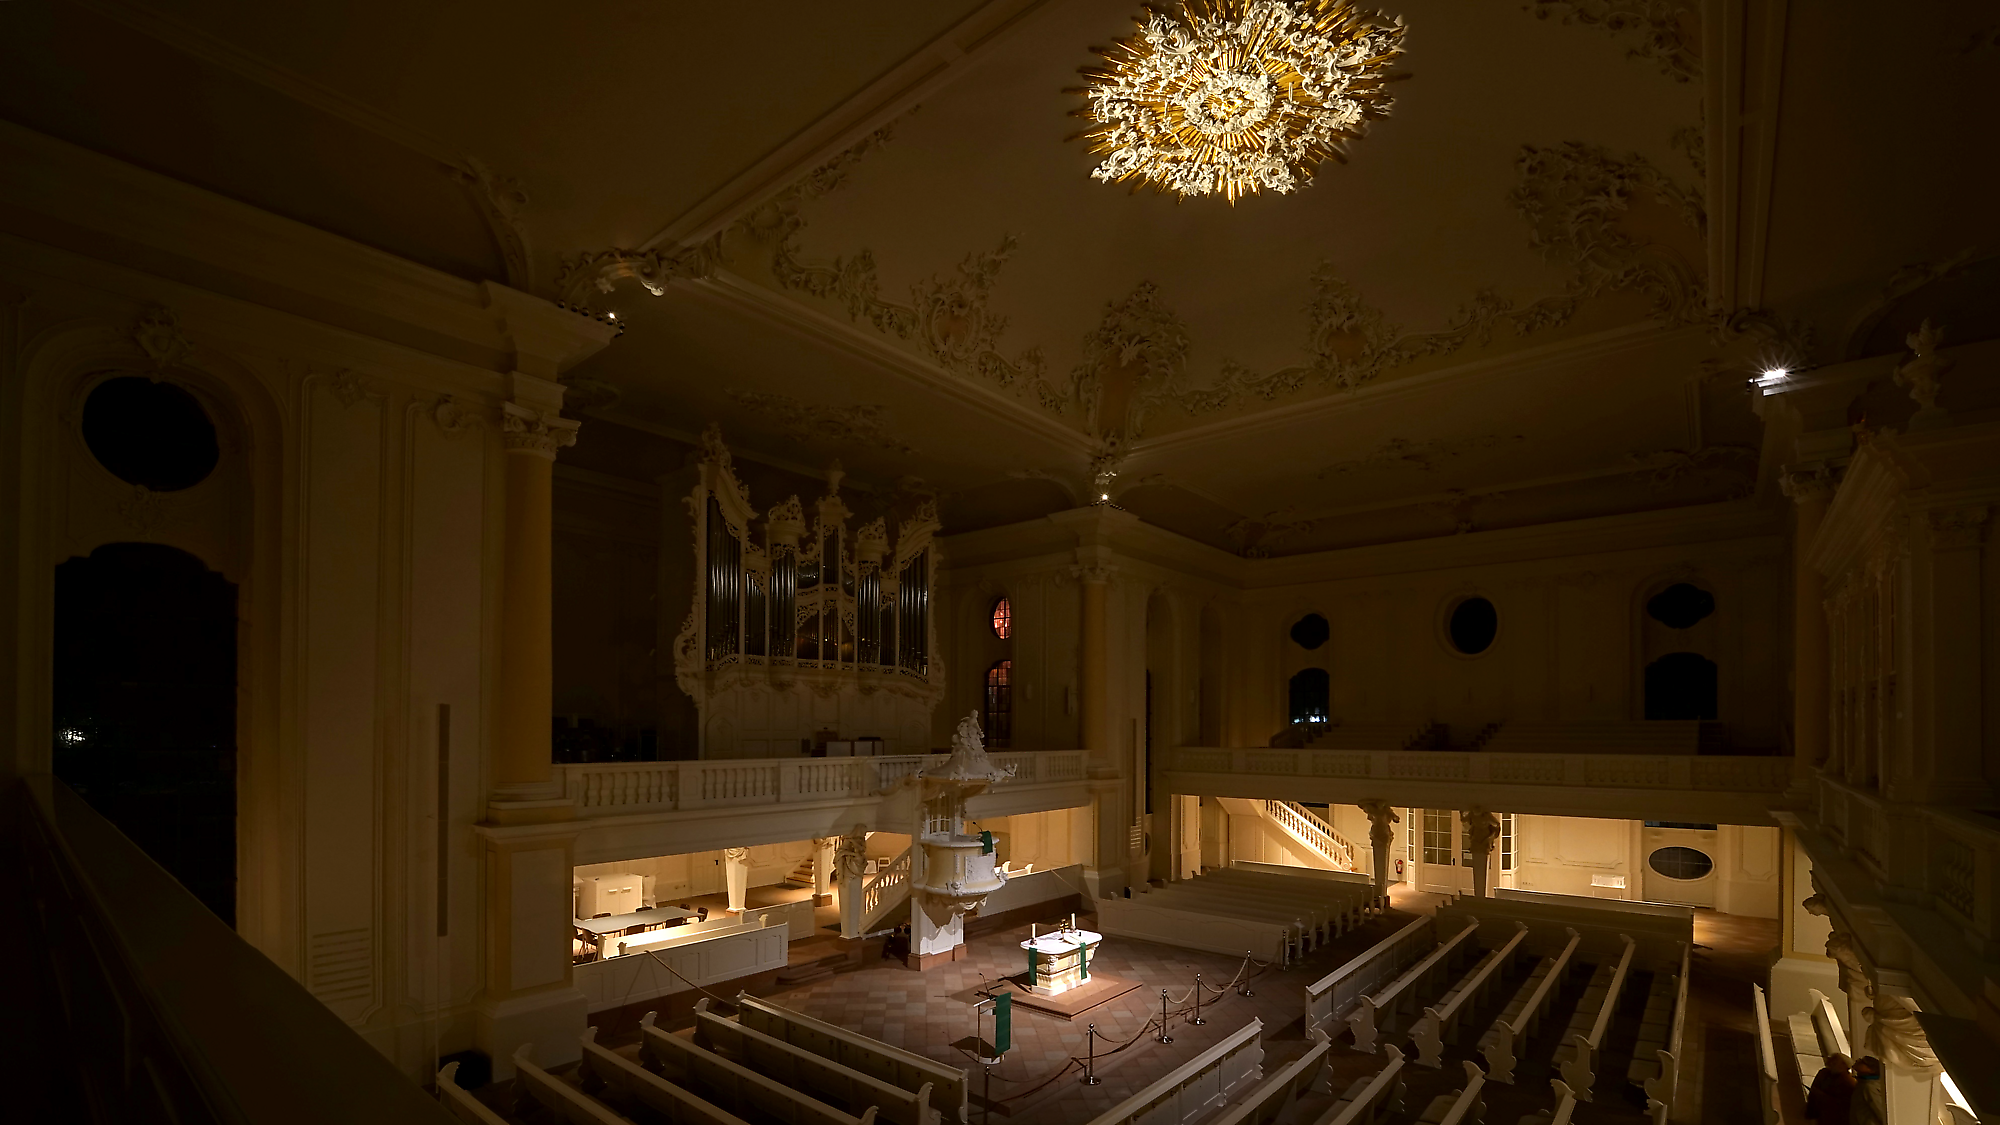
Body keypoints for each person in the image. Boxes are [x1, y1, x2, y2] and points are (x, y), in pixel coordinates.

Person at [1805, 1052, 1854, 1123]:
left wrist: (1823, 1096)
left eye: (1834, 1062)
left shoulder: (1848, 1081)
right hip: (1822, 1115)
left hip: (1836, 1118)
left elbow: (1846, 1103)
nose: (1831, 1063)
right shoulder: (1823, 1073)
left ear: (1844, 1065)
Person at [1850, 1056, 1887, 1125]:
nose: (1858, 1061)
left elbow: (1879, 1110)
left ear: (1871, 1070)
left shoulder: (1869, 1086)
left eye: (1862, 1062)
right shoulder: (1862, 1083)